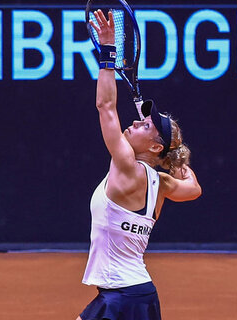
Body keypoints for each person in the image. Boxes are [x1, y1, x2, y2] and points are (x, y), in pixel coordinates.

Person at [77, 9, 202, 320]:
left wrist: (107, 53)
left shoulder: (126, 166)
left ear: (156, 146)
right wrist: (178, 156)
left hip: (121, 297)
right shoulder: (164, 184)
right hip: (140, 294)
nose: (134, 122)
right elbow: (195, 189)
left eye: (145, 126)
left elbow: (105, 106)